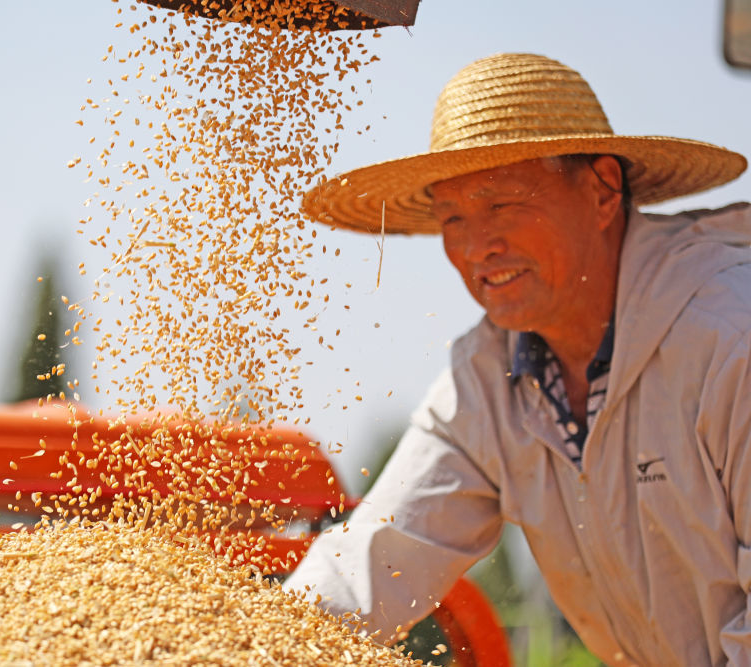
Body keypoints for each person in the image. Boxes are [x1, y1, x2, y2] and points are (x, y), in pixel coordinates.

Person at [285, 52, 750, 666]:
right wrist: (250, 646)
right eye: (453, 218)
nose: (478, 247)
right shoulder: (487, 381)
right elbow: (377, 557)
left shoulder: (727, 337)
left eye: (502, 205)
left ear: (602, 189)